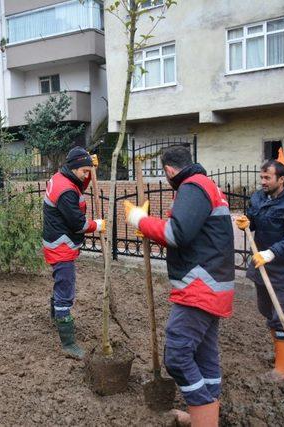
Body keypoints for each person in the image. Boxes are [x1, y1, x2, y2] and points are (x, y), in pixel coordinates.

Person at [124, 145, 234, 426]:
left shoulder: (193, 187)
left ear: (169, 171)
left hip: (201, 287)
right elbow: (191, 234)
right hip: (213, 285)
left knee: (177, 354)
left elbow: (178, 234)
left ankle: (203, 411)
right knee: (205, 356)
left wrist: (141, 220)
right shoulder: (206, 186)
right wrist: (149, 227)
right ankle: (205, 418)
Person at [235, 154, 284, 382]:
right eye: (261, 177)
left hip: (283, 269)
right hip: (262, 267)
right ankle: (281, 349)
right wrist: (247, 222)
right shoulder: (259, 198)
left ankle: (282, 368)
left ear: (282, 179)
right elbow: (254, 222)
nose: (263, 182)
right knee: (267, 312)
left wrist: (272, 252)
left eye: (267, 178)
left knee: (283, 316)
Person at [43, 146, 104, 359]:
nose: (87, 175)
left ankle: (55, 317)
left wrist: (90, 168)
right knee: (65, 291)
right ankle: (68, 344)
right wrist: (97, 225)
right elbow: (77, 223)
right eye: (84, 171)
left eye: (89, 171)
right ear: (74, 167)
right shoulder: (66, 190)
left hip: (57, 242)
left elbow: (79, 183)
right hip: (61, 247)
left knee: (61, 282)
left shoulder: (63, 178)